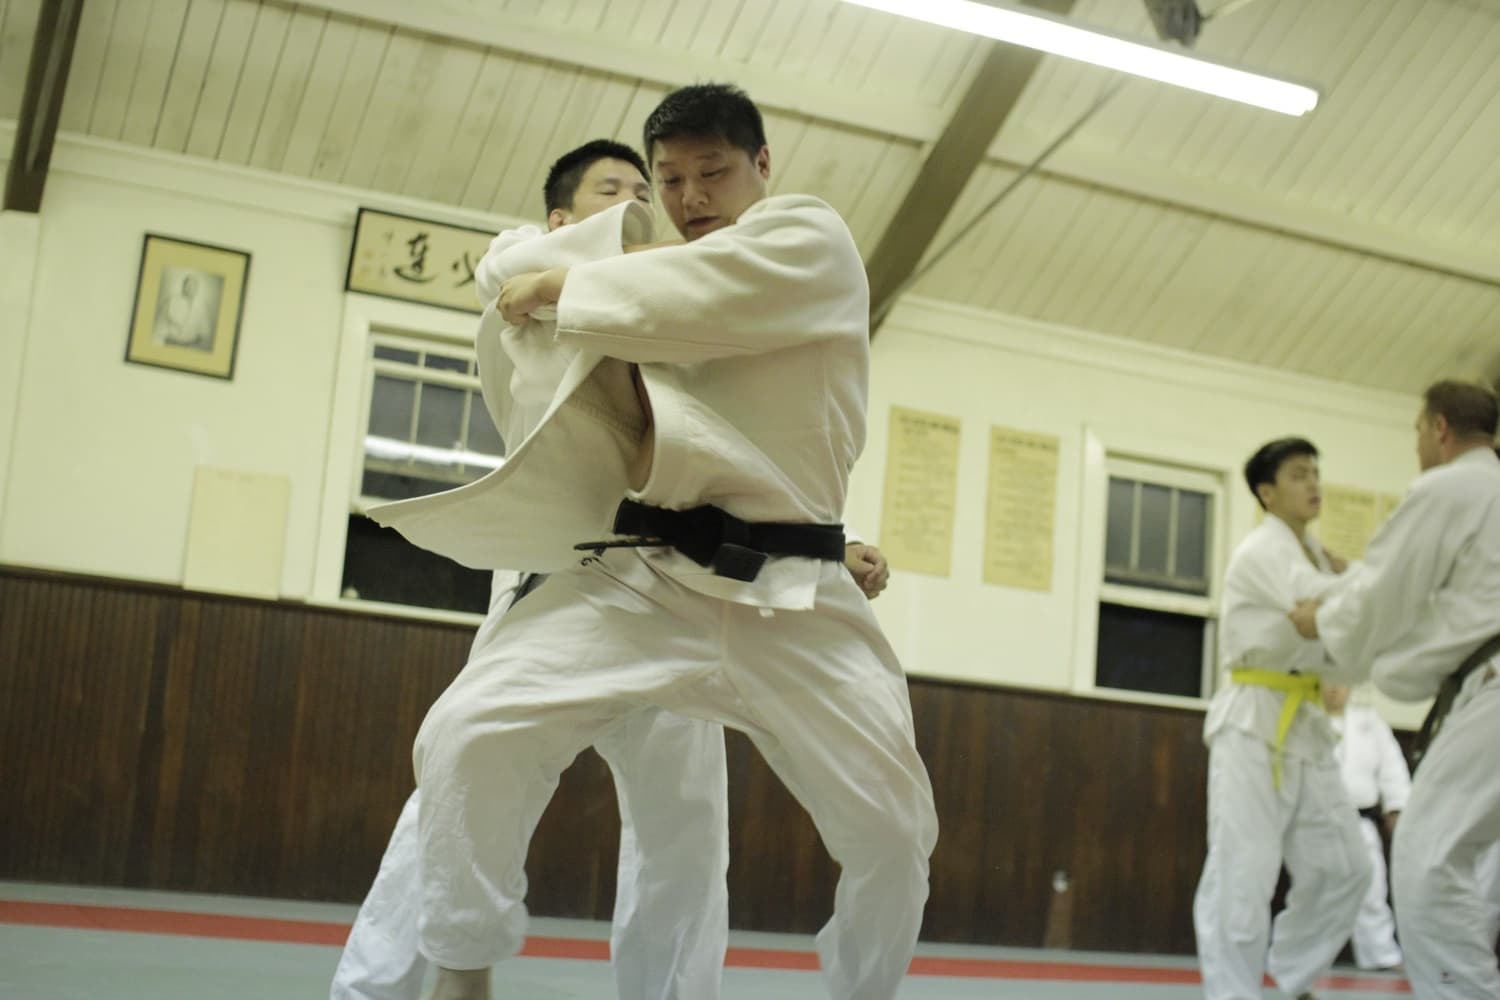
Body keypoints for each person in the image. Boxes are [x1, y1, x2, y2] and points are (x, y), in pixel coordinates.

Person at [372, 83, 938, 1000]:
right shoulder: (645, 271)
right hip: (646, 575)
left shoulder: (806, 239)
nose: (689, 196)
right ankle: (462, 970)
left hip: (793, 594)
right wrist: (561, 265)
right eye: (668, 179)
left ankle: (861, 990)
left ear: (761, 166)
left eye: (712, 172)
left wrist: (565, 283)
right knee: (468, 732)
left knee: (893, 830)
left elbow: (699, 300)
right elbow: (507, 265)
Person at [1292, 379, 1500, 999]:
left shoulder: (1452, 485)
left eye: (1415, 431)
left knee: (1428, 862)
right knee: (1475, 868)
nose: (1415, 446)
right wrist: (1350, 581)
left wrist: (1322, 619)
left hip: (1491, 694)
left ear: (1438, 427)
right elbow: (1452, 601)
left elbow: (1389, 594)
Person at [1193, 437, 1371, 1000]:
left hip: (1306, 723)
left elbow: (1335, 622)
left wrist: (1346, 585)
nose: (1313, 483)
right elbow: (1312, 604)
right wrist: (1361, 580)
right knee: (1243, 871)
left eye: (1316, 472)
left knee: (1346, 867)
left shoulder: (1320, 557)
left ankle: (1292, 975)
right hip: (1252, 720)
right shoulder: (1262, 551)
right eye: (1298, 474)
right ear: (1267, 493)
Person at [1320, 683, 1408, 971]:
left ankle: (1380, 953)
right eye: (1327, 683)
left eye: (1340, 684)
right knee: (1317, 890)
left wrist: (1396, 807)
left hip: (1362, 819)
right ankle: (1315, 957)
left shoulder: (1370, 723)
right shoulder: (1307, 719)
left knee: (1372, 887)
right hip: (1318, 822)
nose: (1333, 690)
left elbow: (1392, 768)